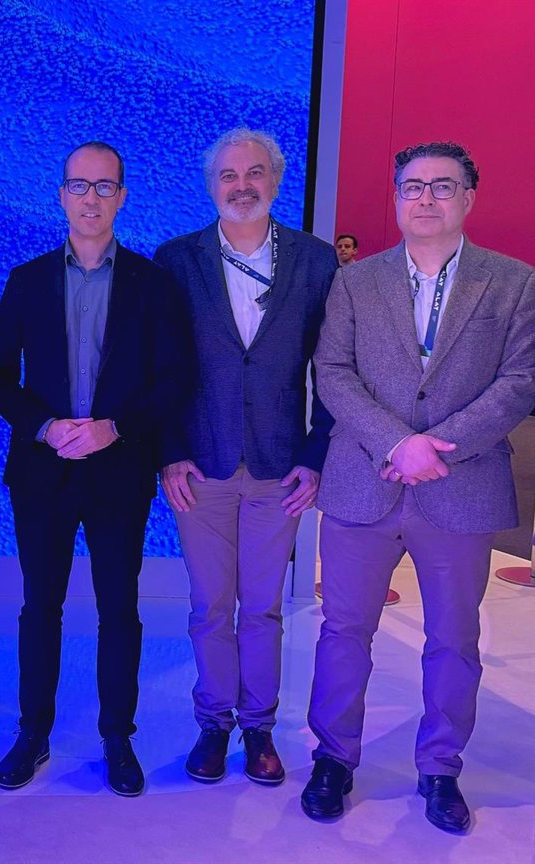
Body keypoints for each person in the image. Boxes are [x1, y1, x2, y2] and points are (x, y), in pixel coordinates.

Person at [304, 142, 535, 832]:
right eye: (412, 186)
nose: (425, 198)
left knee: (454, 640)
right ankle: (333, 758)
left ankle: (440, 768)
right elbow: (333, 372)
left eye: (442, 186)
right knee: (343, 631)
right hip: (363, 482)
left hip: (460, 489)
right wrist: (397, 443)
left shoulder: (514, 282)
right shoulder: (355, 281)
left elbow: (521, 381)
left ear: (469, 197)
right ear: (397, 197)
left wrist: (438, 448)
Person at [0, 141, 192, 796]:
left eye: (105, 187)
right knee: (39, 607)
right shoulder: (26, 280)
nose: (91, 198)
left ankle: (117, 737)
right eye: (80, 185)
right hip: (42, 472)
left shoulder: (153, 285)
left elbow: (174, 378)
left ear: (122, 197)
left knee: (118, 608)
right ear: (62, 195)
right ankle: (33, 733)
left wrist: (113, 428)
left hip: (117, 470)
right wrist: (45, 427)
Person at [154, 127, 338, 786]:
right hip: (198, 467)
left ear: (276, 180)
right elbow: (157, 367)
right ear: (211, 186)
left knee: (262, 608)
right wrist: (169, 451)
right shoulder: (176, 259)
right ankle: (213, 723)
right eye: (228, 175)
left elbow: (334, 367)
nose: (242, 186)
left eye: (254, 172)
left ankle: (259, 727)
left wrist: (316, 454)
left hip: (279, 467)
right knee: (210, 607)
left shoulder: (316, 261)